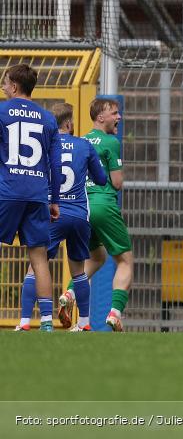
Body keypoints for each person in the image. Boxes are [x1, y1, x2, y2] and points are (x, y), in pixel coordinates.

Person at [21, 103, 106, 332]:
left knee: (36, 267)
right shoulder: (84, 145)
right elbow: (101, 179)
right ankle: (84, 323)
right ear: (68, 123)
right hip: (78, 215)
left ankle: (27, 321)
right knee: (79, 271)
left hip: (51, 213)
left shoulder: (44, 145)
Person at [58, 98, 132, 331]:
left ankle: (69, 294)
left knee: (96, 257)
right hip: (103, 205)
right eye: (114, 113)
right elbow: (117, 183)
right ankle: (115, 313)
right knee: (125, 261)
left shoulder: (81, 141)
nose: (119, 117)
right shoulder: (111, 142)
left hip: (82, 208)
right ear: (101, 117)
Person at [0, 64, 62, 332]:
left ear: (14, 86)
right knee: (39, 258)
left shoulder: (2, 111)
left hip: (7, 191)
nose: (3, 87)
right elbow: (56, 164)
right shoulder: (48, 118)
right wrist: (54, 199)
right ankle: (47, 322)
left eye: (4, 83)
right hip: (38, 194)